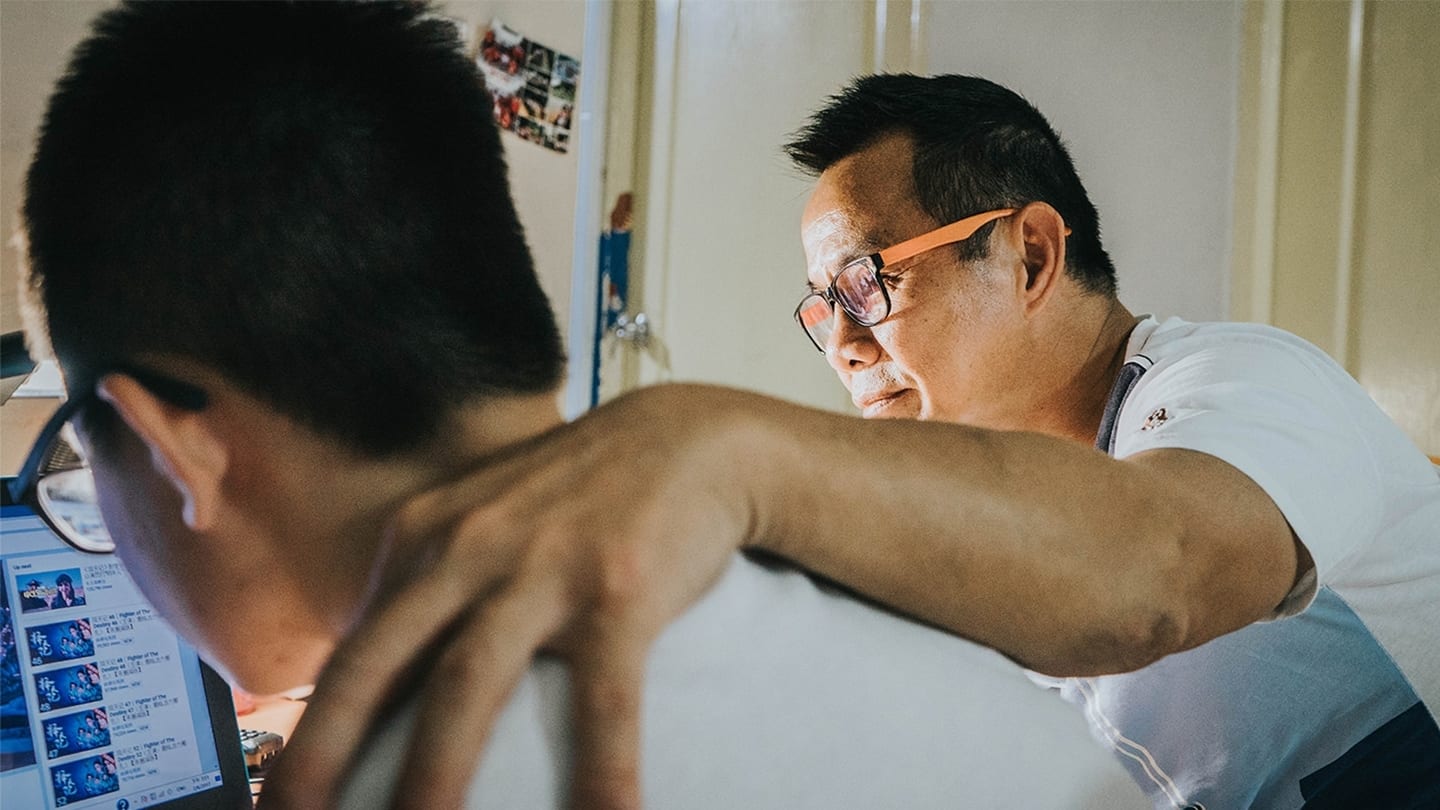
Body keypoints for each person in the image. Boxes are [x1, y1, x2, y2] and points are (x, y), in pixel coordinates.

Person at [17, 3, 1143, 809]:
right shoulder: (892, 613)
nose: (846, 341)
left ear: (175, 450)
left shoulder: (412, 774)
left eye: (84, 455)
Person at [264, 75, 1440, 807]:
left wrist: (715, 441)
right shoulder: (970, 498)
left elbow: (1153, 578)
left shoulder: (1242, 382)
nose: (839, 342)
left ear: (1031, 254)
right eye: (817, 309)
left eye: (866, 285)